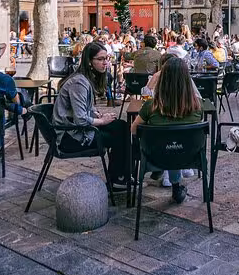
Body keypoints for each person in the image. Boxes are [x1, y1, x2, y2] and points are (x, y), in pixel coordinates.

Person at [53, 42, 129, 190]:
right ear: (89, 61)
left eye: (106, 58)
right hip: (71, 137)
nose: (105, 62)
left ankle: (122, 175)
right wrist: (101, 120)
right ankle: (118, 179)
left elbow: (82, 109)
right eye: (100, 59)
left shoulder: (84, 79)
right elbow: (80, 120)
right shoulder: (79, 82)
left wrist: (97, 113)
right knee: (121, 137)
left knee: (122, 126)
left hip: (75, 130)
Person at [131, 57, 201, 202]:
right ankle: (176, 187)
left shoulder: (150, 106)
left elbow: (133, 130)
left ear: (162, 79)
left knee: (168, 145)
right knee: (176, 144)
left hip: (155, 156)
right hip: (188, 156)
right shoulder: (197, 106)